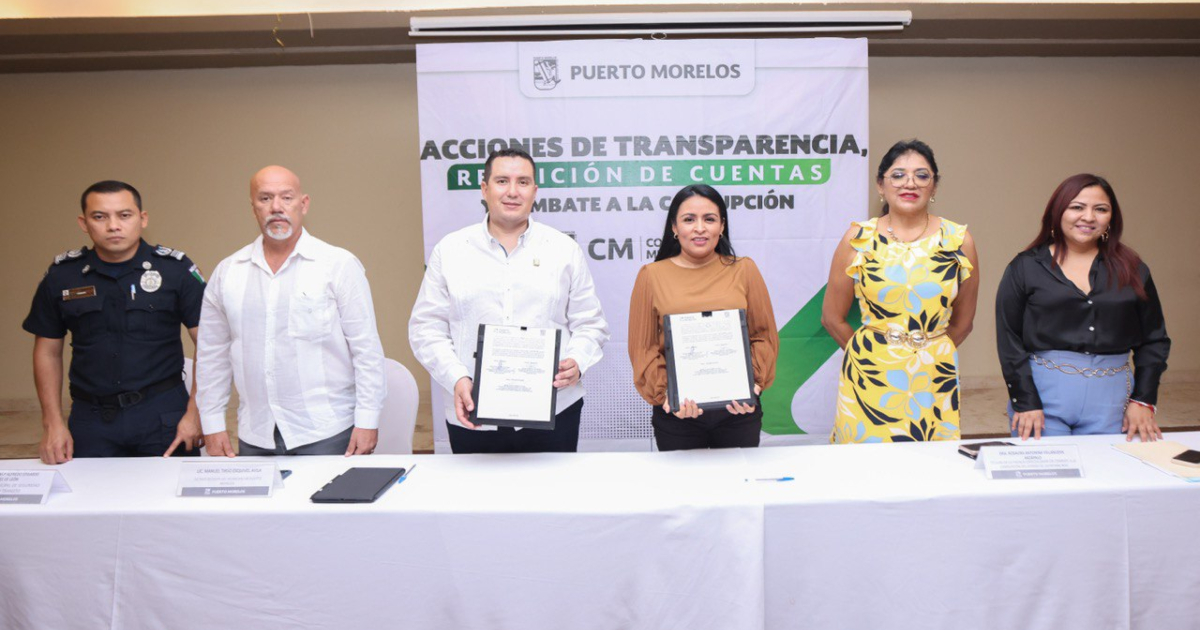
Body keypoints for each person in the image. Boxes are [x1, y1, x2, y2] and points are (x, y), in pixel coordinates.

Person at [409, 148, 609, 454]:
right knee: (477, 488)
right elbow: (426, 328)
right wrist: (457, 378)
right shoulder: (450, 250)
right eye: (502, 181)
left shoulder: (563, 250)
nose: (513, 191)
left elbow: (591, 323)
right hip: (473, 410)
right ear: (485, 188)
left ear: (535, 191)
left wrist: (577, 362)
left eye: (523, 182)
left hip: (555, 409)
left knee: (554, 487)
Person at [196, 165, 386, 457]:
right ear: (253, 208)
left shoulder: (337, 265)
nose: (276, 207)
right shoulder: (228, 272)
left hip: (328, 432)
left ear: (303, 204)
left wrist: (368, 420)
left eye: (286, 197)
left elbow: (366, 349)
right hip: (255, 435)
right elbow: (212, 354)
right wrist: (211, 423)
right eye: (265, 198)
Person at [23, 180, 206, 463]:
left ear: (142, 219)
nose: (113, 226)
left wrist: (195, 414)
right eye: (100, 217)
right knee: (87, 491)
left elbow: (209, 346)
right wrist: (52, 423)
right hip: (91, 419)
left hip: (164, 415)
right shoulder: (63, 276)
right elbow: (47, 352)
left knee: (170, 491)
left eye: (124, 215)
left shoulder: (175, 271)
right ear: (84, 223)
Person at [821, 139, 980, 443]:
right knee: (865, 465)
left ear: (934, 186)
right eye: (898, 175)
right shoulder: (858, 238)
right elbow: (832, 317)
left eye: (922, 175)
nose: (910, 183)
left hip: (932, 377)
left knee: (930, 463)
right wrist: (871, 357)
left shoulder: (958, 240)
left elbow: (963, 323)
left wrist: (929, 353)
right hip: (869, 376)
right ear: (880, 185)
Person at [996, 174, 1169, 442]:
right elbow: (1009, 339)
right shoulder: (1025, 267)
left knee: (1112, 468)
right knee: (1048, 469)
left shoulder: (1134, 269)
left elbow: (1155, 340)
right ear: (1057, 212)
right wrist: (1025, 400)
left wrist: (1143, 400)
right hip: (1042, 399)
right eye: (1077, 207)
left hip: (1114, 401)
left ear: (1111, 218)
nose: (1088, 217)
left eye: (1101, 209)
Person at [628, 184, 779, 451]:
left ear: (722, 226)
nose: (700, 228)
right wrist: (666, 395)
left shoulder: (744, 269)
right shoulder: (651, 275)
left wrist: (753, 384)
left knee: (740, 478)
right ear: (674, 227)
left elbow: (763, 335)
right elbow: (643, 347)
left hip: (738, 410)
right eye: (689, 219)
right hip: (677, 413)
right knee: (683, 480)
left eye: (709, 219)